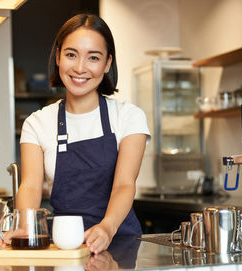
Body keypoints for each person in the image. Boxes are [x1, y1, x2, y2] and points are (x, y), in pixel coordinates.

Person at [16, 14, 150, 254]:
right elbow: (31, 186)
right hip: (66, 245)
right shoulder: (37, 123)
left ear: (107, 64)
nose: (80, 67)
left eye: (93, 58)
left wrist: (107, 228)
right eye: (71, 54)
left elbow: (124, 185)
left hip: (120, 244)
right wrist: (26, 226)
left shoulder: (129, 117)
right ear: (58, 57)